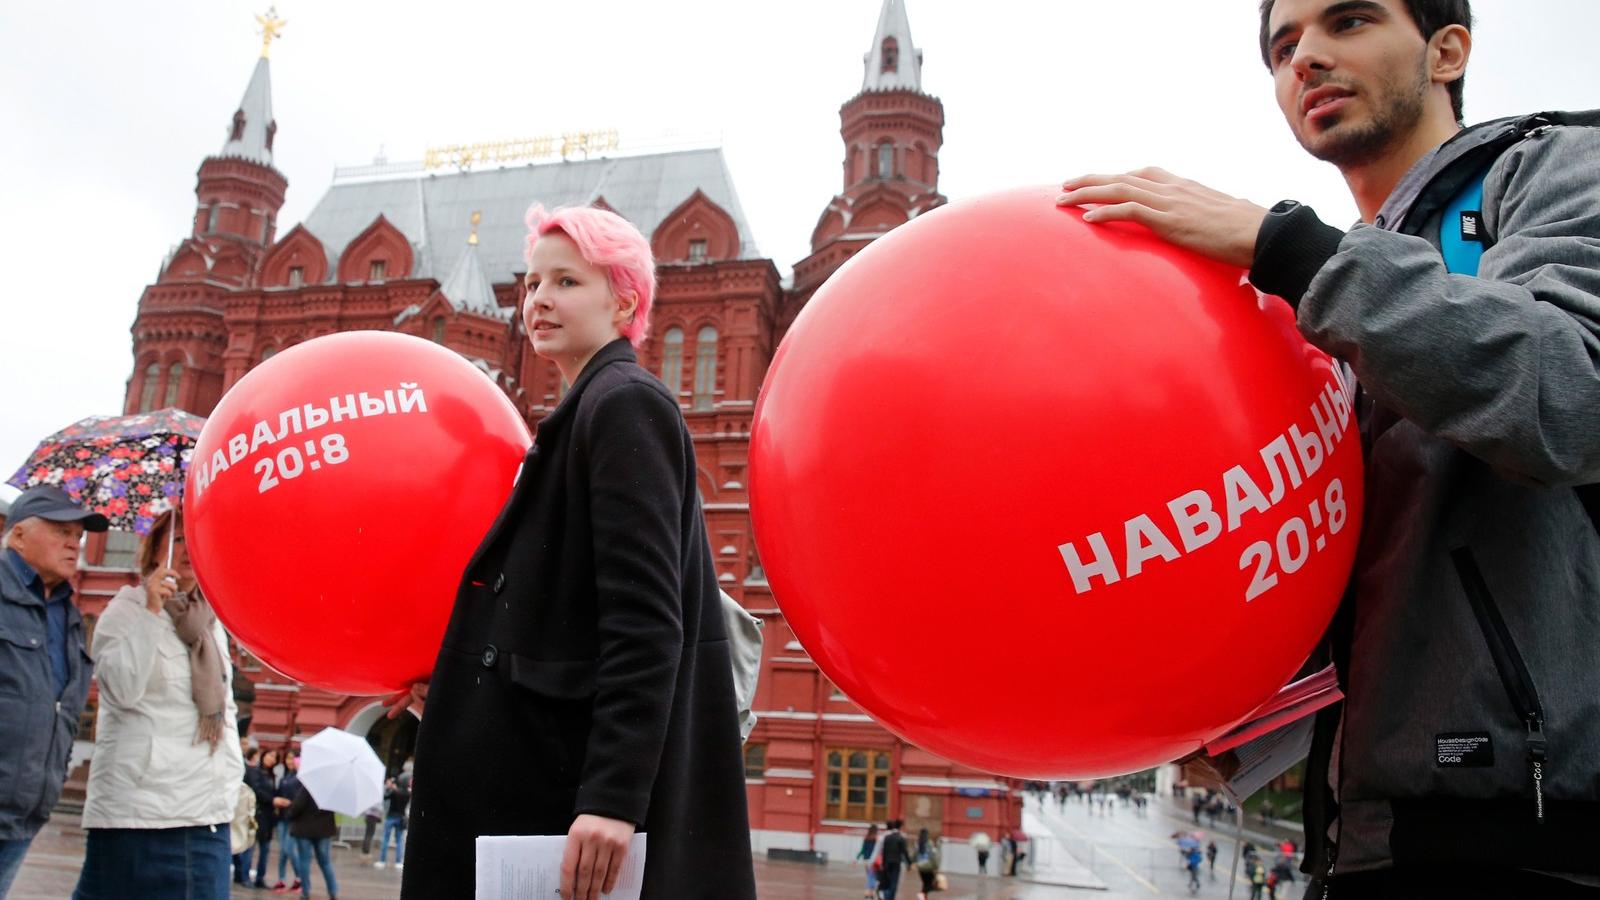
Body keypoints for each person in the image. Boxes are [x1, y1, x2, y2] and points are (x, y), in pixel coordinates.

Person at [1059, 0, 1600, 894]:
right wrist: (1221, 700)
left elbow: (1576, 393)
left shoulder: (1555, 168)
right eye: (1283, 46)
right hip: (1369, 836)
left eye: (1348, 21)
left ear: (1446, 49)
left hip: (1538, 835)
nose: (1305, 57)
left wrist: (1290, 249)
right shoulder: (1324, 305)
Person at [390, 204, 756, 900]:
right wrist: (467, 694)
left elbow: (646, 622)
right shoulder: (583, 414)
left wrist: (614, 796)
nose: (539, 301)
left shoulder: (623, 405)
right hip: (538, 786)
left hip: (562, 805)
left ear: (624, 300)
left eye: (566, 282)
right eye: (530, 285)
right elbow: (561, 618)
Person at [73, 508, 245, 900]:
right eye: (178, 539)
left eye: (196, 539)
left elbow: (226, 711)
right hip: (139, 814)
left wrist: (232, 783)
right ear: (154, 553)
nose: (187, 549)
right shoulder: (126, 610)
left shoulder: (210, 622)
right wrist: (151, 612)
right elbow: (120, 690)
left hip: (207, 813)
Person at [0, 487, 106, 899]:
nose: (72, 544)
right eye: (61, 531)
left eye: (78, 536)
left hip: (26, 809)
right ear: (19, 535)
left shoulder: (68, 614)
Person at [284, 784, 337, 900]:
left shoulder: (309, 786)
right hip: (324, 829)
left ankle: (305, 892)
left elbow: (297, 806)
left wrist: (288, 813)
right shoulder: (332, 790)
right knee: (325, 862)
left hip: (304, 829)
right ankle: (333, 891)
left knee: (304, 861)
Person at [269, 751, 301, 893]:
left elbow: (300, 799)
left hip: (293, 819)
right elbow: (279, 793)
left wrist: (290, 803)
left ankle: (299, 878)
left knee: (290, 850)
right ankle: (281, 879)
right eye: (287, 758)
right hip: (282, 817)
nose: (289, 761)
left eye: (292, 759)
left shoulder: (300, 777)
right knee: (282, 851)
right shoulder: (285, 777)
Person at [249, 748, 280, 889]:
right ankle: (244, 876)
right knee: (251, 846)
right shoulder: (256, 772)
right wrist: (272, 800)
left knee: (265, 849)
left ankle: (260, 878)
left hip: (269, 817)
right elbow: (256, 790)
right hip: (258, 814)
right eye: (270, 755)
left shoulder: (272, 775)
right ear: (264, 755)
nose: (272, 759)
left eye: (275, 757)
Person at [374, 773, 409, 870]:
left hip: (391, 817)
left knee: (385, 839)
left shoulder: (394, 792)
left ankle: (382, 861)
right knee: (399, 841)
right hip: (401, 818)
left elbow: (385, 797)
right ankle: (398, 862)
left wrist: (390, 788)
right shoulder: (407, 793)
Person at [876, 820, 909, 899]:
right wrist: (909, 863)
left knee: (886, 881)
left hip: (886, 862)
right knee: (894, 883)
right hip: (896, 863)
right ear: (900, 827)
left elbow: (883, 851)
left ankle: (883, 895)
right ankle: (888, 897)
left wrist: (882, 863)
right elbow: (904, 851)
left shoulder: (885, 837)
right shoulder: (901, 837)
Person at [912, 827, 940, 899]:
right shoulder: (929, 843)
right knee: (931, 885)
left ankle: (924, 897)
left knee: (925, 883)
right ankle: (921, 894)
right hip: (928, 866)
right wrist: (936, 866)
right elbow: (932, 855)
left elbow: (914, 855)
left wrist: (913, 863)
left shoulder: (917, 843)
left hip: (920, 867)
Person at [856, 823, 880, 898]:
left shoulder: (866, 838)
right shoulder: (876, 839)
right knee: (872, 876)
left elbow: (863, 849)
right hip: (873, 860)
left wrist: (857, 858)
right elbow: (878, 850)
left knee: (869, 876)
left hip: (866, 860)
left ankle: (870, 892)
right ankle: (869, 892)